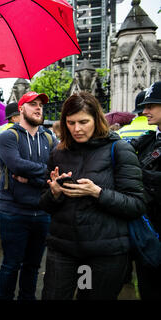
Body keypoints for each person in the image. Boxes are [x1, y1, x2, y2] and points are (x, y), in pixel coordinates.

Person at [39, 91, 146, 300]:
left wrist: (97, 192)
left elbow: (136, 204)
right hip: (63, 249)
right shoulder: (58, 153)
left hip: (102, 254)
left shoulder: (119, 149)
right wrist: (54, 193)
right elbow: (44, 204)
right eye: (70, 122)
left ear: (97, 119)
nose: (76, 129)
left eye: (83, 122)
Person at [0, 91, 56, 300]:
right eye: (33, 104)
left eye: (40, 105)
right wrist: (45, 174)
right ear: (21, 109)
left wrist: (31, 179)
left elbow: (55, 171)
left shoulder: (49, 137)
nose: (38, 108)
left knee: (33, 265)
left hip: (42, 211)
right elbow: (16, 165)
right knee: (11, 264)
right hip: (13, 211)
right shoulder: (7, 136)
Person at [129, 81, 161, 300]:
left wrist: (138, 176)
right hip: (147, 233)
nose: (144, 111)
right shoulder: (150, 140)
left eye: (151, 105)